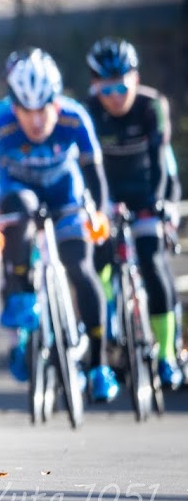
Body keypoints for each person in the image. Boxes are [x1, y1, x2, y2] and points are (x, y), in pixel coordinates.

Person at [0, 49, 118, 402]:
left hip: (66, 195)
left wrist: (100, 213)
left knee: (80, 267)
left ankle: (97, 365)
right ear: (12, 105)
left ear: (57, 103)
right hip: (19, 193)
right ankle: (22, 302)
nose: (35, 121)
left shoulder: (75, 118)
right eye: (25, 111)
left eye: (43, 109)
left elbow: (95, 172)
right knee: (18, 215)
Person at [85, 37, 183, 390]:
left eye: (122, 85)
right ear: (95, 85)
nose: (114, 96)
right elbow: (85, 168)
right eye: (106, 87)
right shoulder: (89, 111)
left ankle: (168, 354)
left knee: (151, 260)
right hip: (108, 193)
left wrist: (159, 204)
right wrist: (99, 206)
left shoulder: (151, 106)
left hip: (149, 188)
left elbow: (160, 161)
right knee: (100, 261)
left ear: (135, 79)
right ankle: (110, 332)